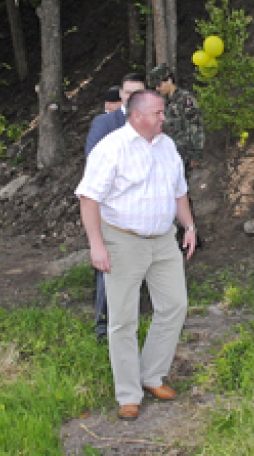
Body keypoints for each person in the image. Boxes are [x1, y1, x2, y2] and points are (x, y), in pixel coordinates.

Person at [75, 89, 198, 422]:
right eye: (159, 113)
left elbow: (179, 192)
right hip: (123, 241)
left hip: (163, 240)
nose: (164, 118)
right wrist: (96, 244)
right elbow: (89, 199)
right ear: (139, 115)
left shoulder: (167, 146)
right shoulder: (111, 149)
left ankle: (151, 376)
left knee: (174, 306)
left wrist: (188, 226)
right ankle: (128, 394)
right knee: (123, 320)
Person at [85, 73, 146, 339]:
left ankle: (130, 318)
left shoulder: (152, 122)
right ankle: (103, 326)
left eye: (138, 92)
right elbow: (93, 163)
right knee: (108, 266)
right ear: (120, 94)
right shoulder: (105, 123)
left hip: (144, 208)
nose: (132, 97)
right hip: (112, 209)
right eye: (128, 92)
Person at [148, 63, 205, 249]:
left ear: (169, 80)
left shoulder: (185, 100)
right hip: (169, 156)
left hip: (184, 154)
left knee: (182, 194)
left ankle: (190, 232)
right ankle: (180, 231)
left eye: (159, 84)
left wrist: (196, 154)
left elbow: (196, 128)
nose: (158, 89)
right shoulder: (166, 103)